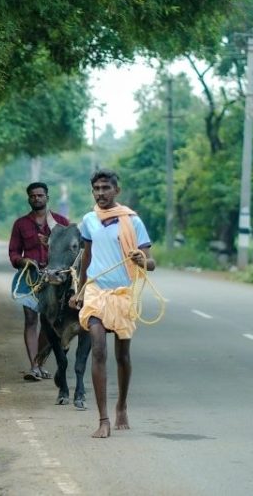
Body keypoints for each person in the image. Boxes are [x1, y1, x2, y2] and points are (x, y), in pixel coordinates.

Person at [69, 169, 155, 438]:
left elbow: (151, 262)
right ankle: (103, 419)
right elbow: (87, 257)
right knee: (98, 349)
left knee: (122, 356)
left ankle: (122, 406)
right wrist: (80, 291)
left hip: (122, 293)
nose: (100, 193)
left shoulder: (133, 221)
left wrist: (142, 260)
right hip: (96, 291)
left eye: (105, 188)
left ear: (116, 190)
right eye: (96, 189)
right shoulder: (89, 220)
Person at [9, 182, 71, 382]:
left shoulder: (61, 222)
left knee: (49, 323)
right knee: (30, 319)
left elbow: (72, 250)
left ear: (47, 197)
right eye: (33, 196)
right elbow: (13, 253)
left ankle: (40, 363)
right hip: (30, 277)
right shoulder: (20, 224)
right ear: (29, 198)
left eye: (40, 195)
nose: (36, 198)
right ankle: (34, 366)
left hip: (55, 278)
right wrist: (23, 260)